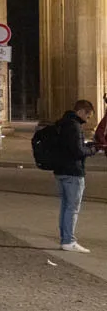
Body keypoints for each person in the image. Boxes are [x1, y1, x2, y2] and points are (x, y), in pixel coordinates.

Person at [54, 98, 99, 252]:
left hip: (60, 171)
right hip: (73, 172)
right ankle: (68, 240)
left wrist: (85, 145)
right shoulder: (74, 126)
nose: (87, 120)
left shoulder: (62, 123)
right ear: (80, 112)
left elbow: (70, 146)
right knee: (72, 208)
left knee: (65, 207)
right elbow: (78, 151)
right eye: (87, 116)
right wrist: (93, 150)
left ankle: (65, 239)